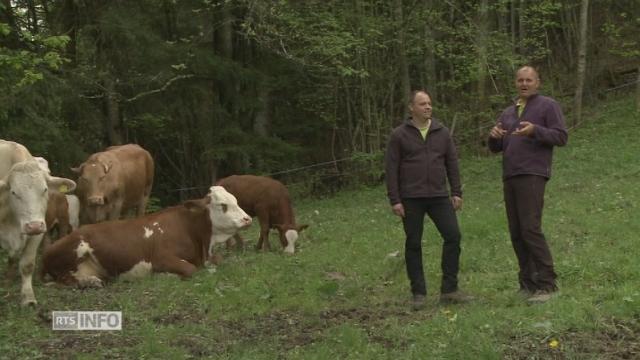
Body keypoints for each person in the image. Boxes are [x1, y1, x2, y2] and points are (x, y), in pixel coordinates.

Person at [385, 90, 472, 310]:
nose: (427, 107)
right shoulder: (399, 135)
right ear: (411, 108)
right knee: (413, 243)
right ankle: (419, 293)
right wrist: (395, 199)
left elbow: (452, 163)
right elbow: (391, 169)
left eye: (429, 103)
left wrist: (456, 192)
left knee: (453, 235)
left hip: (438, 195)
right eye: (422, 104)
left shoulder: (442, 133)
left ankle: (449, 290)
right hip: (410, 197)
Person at [488, 66, 568, 304]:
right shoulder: (508, 112)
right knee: (516, 232)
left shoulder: (547, 105)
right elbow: (496, 148)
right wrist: (493, 137)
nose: (524, 84)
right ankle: (527, 283)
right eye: (520, 80)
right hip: (510, 174)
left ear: (537, 83)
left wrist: (536, 130)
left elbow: (561, 136)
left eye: (528, 80)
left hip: (533, 173)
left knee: (530, 228)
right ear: (516, 83)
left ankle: (548, 284)